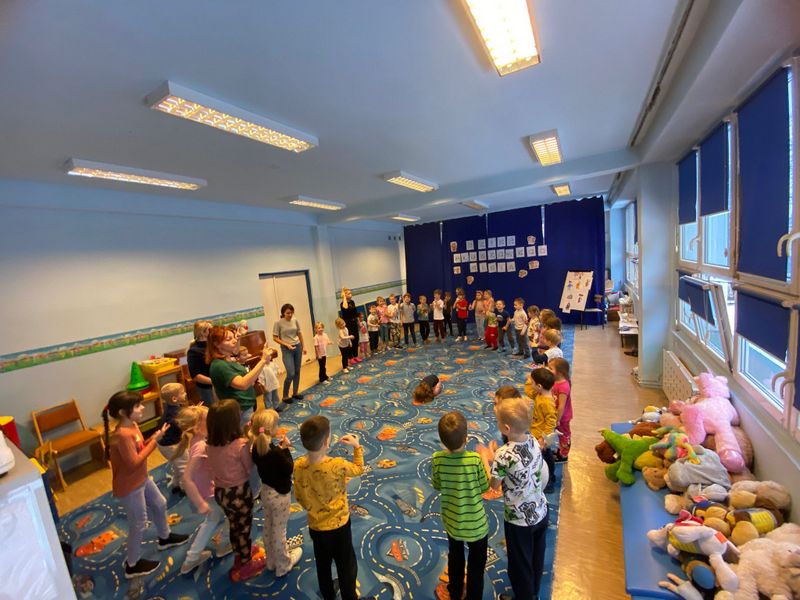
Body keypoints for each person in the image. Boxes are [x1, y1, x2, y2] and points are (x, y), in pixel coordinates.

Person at [102, 391, 189, 579]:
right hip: (130, 486)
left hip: (141, 478)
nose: (142, 408)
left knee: (160, 503)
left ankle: (165, 537)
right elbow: (133, 463)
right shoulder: (123, 435)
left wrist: (153, 437)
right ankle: (132, 565)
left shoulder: (132, 426)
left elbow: (139, 448)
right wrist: (155, 442)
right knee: (139, 524)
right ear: (123, 413)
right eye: (137, 406)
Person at [294, 416, 364, 600]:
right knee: (346, 565)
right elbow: (358, 469)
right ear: (327, 442)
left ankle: (328, 596)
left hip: (316, 527)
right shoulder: (337, 464)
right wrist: (357, 447)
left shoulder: (298, 465)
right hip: (340, 526)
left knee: (323, 566)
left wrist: (313, 507)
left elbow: (299, 496)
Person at [489, 396, 549, 600]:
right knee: (536, 555)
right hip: (540, 511)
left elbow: (494, 485)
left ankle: (524, 596)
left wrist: (488, 458)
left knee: (519, 562)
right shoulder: (533, 440)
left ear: (506, 428)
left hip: (519, 519)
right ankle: (533, 590)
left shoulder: (503, 454)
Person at [206, 399, 265, 582]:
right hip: (239, 492)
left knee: (234, 524)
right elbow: (249, 467)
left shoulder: (209, 444)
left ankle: (240, 551)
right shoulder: (240, 444)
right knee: (244, 526)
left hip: (221, 492)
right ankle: (246, 563)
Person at [432, 411, 489, 600]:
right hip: (476, 525)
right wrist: (484, 460)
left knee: (455, 557)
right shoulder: (474, 459)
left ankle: (455, 591)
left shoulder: (437, 458)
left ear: (442, 441)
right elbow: (484, 486)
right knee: (476, 566)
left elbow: (437, 484)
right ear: (466, 438)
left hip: (452, 521)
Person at [177, 405, 231, 574]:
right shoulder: (200, 446)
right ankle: (223, 545)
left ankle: (192, 558)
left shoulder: (196, 440)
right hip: (210, 492)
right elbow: (186, 478)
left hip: (207, 489)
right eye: (209, 420)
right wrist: (200, 503)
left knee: (212, 520)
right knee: (231, 515)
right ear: (196, 427)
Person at [250, 409, 302, 577]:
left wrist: (280, 449)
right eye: (277, 424)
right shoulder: (276, 454)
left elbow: (270, 460)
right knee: (280, 531)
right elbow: (288, 468)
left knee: (268, 526)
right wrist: (285, 450)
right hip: (280, 496)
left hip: (266, 492)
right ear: (271, 429)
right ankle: (283, 565)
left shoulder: (257, 448)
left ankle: (271, 561)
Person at [207, 325, 273, 427]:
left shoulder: (228, 358)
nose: (234, 341)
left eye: (234, 337)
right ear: (217, 344)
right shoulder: (219, 365)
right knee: (245, 434)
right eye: (228, 339)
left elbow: (236, 350)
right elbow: (243, 384)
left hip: (245, 405)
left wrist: (237, 339)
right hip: (239, 409)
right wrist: (263, 360)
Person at [526, 368, 558, 494]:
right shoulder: (539, 394)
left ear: (539, 386)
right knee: (544, 457)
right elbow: (529, 392)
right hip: (537, 433)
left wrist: (544, 439)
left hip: (541, 437)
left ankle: (549, 481)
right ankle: (547, 477)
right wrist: (529, 380)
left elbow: (551, 423)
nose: (531, 384)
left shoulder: (547, 403)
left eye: (532, 382)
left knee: (545, 459)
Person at [156, 383, 189, 495]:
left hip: (164, 443)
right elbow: (181, 424)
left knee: (177, 464)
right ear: (174, 399)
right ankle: (185, 488)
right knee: (185, 466)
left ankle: (176, 484)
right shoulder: (175, 413)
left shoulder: (170, 407)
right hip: (171, 445)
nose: (185, 394)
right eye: (182, 393)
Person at [272, 303, 307, 404]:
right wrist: (286, 344)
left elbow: (299, 333)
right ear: (283, 313)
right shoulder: (278, 323)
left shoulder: (295, 320)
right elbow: (275, 337)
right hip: (286, 349)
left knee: (297, 371)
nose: (290, 315)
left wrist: (303, 346)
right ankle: (285, 396)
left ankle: (295, 393)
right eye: (288, 313)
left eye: (291, 313)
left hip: (297, 346)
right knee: (291, 373)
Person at [549, 357, 573, 461]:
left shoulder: (563, 386)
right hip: (558, 415)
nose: (548, 370)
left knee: (564, 435)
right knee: (560, 434)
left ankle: (563, 455)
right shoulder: (556, 381)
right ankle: (561, 450)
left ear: (560, 372)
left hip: (562, 417)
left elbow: (561, 406)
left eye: (551, 368)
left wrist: (557, 419)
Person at [187, 321, 214, 406]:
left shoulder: (211, 345)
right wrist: (215, 382)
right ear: (203, 332)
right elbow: (195, 376)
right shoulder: (194, 351)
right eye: (210, 330)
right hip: (207, 388)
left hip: (216, 385)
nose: (213, 332)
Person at [340, 287, 361, 362]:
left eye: (350, 293)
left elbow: (355, 313)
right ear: (345, 295)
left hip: (354, 322)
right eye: (348, 293)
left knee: (356, 339)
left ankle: (355, 355)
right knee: (350, 340)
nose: (350, 294)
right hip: (348, 324)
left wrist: (358, 321)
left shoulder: (352, 302)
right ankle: (350, 357)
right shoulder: (342, 304)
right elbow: (345, 307)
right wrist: (344, 297)